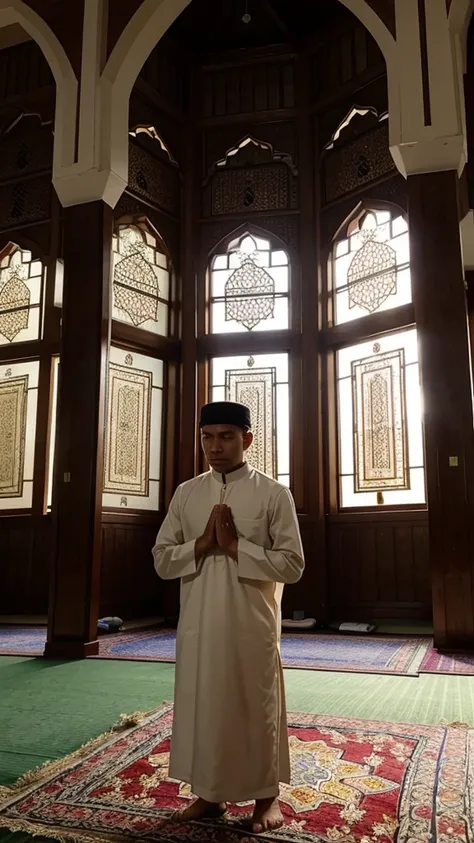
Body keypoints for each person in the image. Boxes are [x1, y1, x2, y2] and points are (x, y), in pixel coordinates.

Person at [152, 401, 305, 833]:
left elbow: (293, 565)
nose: (214, 446)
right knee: (206, 705)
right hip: (199, 623)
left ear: (247, 440)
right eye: (207, 437)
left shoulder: (274, 493)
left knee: (256, 705)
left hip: (250, 622)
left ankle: (265, 799)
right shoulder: (187, 493)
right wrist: (201, 544)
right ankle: (209, 794)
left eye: (226, 436)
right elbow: (163, 560)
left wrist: (237, 547)